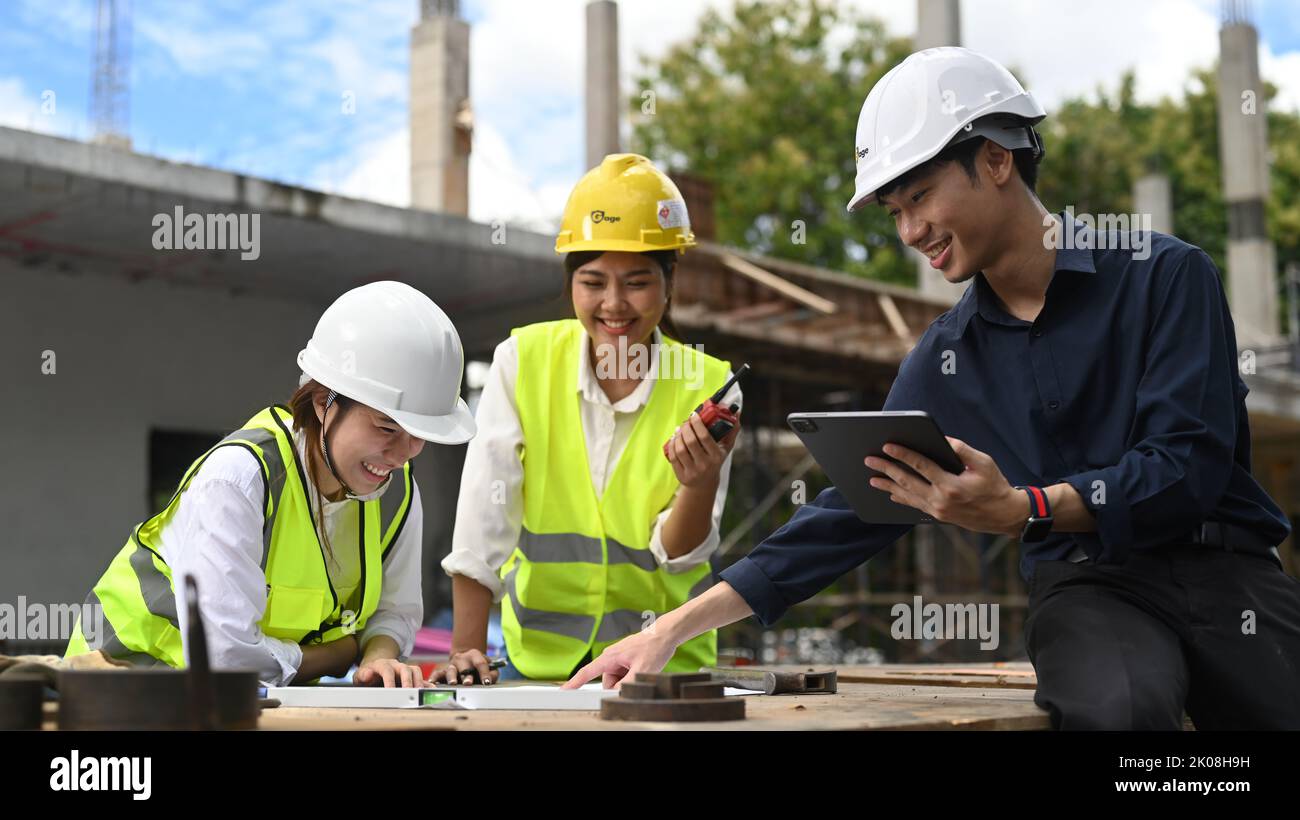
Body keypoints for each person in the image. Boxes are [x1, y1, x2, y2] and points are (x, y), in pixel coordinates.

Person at [564, 48, 1300, 730]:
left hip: (1226, 570)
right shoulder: (947, 357)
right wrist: (668, 629)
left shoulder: (1164, 275)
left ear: (995, 158)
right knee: (1121, 713)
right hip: (1091, 592)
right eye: (893, 213)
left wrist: (1024, 507)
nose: (910, 230)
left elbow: (1188, 468)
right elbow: (852, 513)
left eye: (919, 196)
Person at [65, 281, 477, 688]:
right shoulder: (240, 477)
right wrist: (342, 653)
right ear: (323, 402)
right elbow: (226, 661)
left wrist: (378, 656)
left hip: (239, 709)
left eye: (420, 435)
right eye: (387, 427)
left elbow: (395, 610)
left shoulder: (397, 492)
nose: (403, 453)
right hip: (117, 697)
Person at [437, 153, 742, 685]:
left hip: (663, 671)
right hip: (541, 672)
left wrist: (701, 479)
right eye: (593, 281)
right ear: (570, 281)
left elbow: (676, 555)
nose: (614, 304)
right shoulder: (522, 361)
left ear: (670, 279)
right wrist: (466, 651)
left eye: (638, 281)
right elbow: (486, 514)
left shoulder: (709, 387)